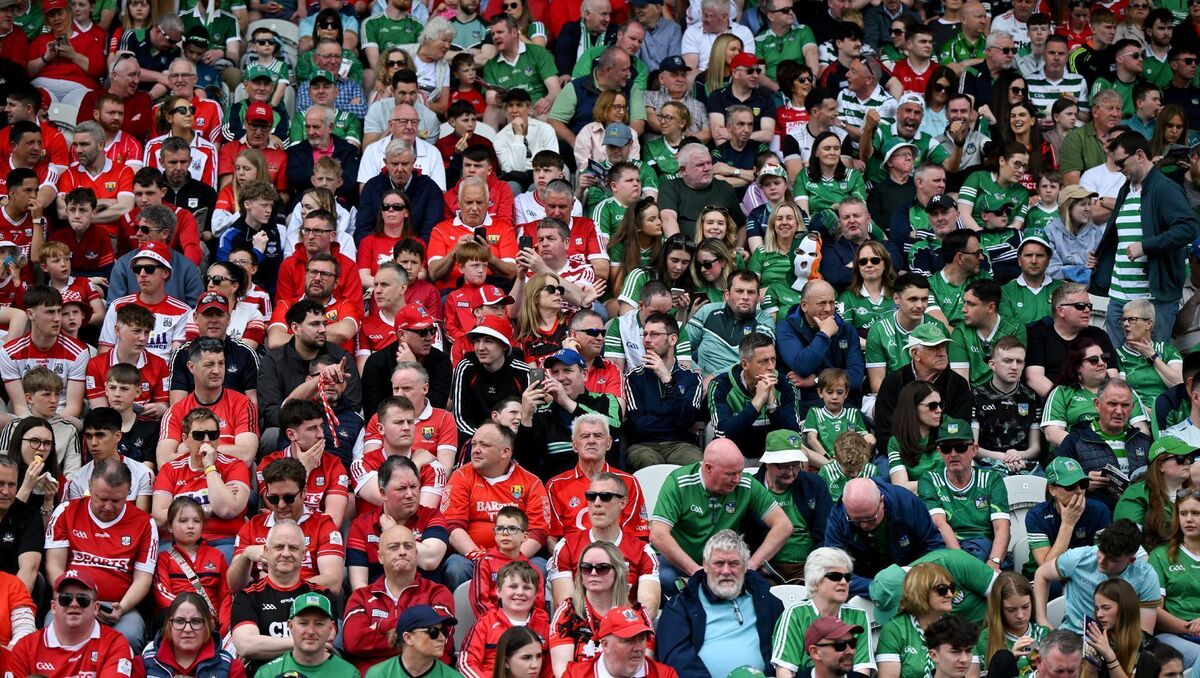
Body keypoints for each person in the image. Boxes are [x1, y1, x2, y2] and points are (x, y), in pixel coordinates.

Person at [1090, 131, 1200, 346]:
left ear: (1140, 155)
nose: (1120, 170)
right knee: (1117, 367)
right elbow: (1121, 236)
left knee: (1152, 365)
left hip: (1152, 300)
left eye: (1122, 163)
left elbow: (1189, 228)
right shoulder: (1127, 189)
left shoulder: (1165, 188)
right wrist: (1099, 256)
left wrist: (1146, 246)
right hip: (1119, 296)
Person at [649, 438, 794, 589]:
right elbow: (658, 534)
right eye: (731, 474)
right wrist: (695, 570)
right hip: (677, 563)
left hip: (723, 564)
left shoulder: (746, 484)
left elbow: (783, 525)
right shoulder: (679, 483)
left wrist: (752, 564)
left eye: (740, 472)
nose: (737, 479)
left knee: (759, 586)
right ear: (708, 468)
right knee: (666, 579)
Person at [45, 459, 157, 652]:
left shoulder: (145, 523)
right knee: (52, 629)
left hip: (116, 607)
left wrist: (122, 607)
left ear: (129, 492)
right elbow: (54, 566)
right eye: (101, 499)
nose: (107, 507)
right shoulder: (66, 511)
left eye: (116, 501)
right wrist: (72, 600)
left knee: (129, 636)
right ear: (89, 487)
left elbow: (143, 580)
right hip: (71, 599)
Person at [658, 529, 784, 677]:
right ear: (705, 565)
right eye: (718, 563)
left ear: (744, 566)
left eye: (734, 563)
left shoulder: (765, 596)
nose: (726, 571)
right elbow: (676, 659)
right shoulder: (682, 605)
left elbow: (786, 643)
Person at [440, 422, 549, 588]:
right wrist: (480, 557)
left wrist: (511, 559)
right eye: (474, 443)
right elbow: (453, 527)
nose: (475, 450)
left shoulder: (531, 482)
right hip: (471, 559)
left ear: (505, 452)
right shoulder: (461, 476)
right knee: (455, 566)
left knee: (540, 567)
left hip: (518, 558)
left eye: (484, 445)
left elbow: (538, 533)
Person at [548, 474, 660, 621]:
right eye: (591, 496)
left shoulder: (644, 551)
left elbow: (649, 608)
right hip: (582, 632)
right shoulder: (566, 546)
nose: (597, 503)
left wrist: (617, 631)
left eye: (605, 496)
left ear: (623, 502)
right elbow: (565, 605)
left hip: (627, 632)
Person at [229, 520, 334, 676]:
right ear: (266, 551)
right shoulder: (248, 595)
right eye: (279, 547)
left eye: (293, 548)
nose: (286, 553)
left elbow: (328, 637)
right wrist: (304, 642)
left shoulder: (321, 595)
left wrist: (265, 645)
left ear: (304, 554)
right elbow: (246, 645)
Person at [228, 458, 345, 592]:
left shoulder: (323, 526)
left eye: (289, 498)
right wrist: (246, 555)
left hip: (306, 603)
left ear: (304, 491)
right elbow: (233, 586)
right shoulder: (252, 527)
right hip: (261, 605)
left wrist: (279, 585)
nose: (281, 505)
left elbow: (333, 582)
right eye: (274, 499)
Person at [1034, 518, 1160, 635]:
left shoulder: (1146, 576)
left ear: (1130, 560)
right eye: (1101, 550)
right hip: (1074, 635)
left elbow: (1144, 632)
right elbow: (1041, 574)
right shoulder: (1079, 557)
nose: (1101, 560)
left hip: (1119, 641)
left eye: (1112, 559)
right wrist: (1042, 620)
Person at [825, 477, 946, 597]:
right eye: (855, 521)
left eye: (871, 519)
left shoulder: (907, 503)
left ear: (881, 501)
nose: (864, 525)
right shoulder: (838, 518)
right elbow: (834, 572)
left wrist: (912, 580)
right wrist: (879, 588)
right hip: (867, 585)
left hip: (911, 579)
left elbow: (934, 548)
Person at [6, 569, 137, 677]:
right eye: (65, 599)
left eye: (82, 599)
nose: (74, 604)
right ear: (53, 607)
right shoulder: (25, 647)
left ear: (96, 608)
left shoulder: (115, 644)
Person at [919, 418, 1011, 569]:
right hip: (949, 550)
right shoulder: (930, 480)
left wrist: (994, 562)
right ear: (939, 451)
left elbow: (1002, 527)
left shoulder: (991, 479)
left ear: (973, 450)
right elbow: (940, 524)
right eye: (946, 448)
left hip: (984, 547)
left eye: (960, 447)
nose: (953, 454)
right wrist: (963, 564)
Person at [770, 548, 877, 677]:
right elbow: (785, 670)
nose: (843, 582)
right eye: (835, 576)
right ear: (815, 581)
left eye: (847, 577)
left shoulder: (858, 615)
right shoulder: (796, 614)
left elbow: (862, 670)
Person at [623, 311, 704, 468]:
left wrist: (667, 380)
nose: (646, 340)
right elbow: (639, 424)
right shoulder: (633, 377)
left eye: (654, 334)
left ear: (672, 339)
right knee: (646, 460)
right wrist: (673, 421)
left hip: (681, 445)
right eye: (644, 334)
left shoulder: (691, 378)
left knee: (696, 463)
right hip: (644, 445)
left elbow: (686, 418)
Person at [708, 331, 803, 458]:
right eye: (763, 361)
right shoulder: (720, 386)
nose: (771, 367)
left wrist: (772, 406)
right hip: (736, 456)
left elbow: (795, 435)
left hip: (774, 456)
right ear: (745, 364)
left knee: (801, 452)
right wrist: (757, 402)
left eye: (773, 359)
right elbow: (723, 435)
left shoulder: (785, 385)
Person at [777, 279, 866, 408]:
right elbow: (802, 366)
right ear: (804, 306)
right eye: (822, 303)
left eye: (832, 303)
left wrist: (817, 380)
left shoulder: (846, 330)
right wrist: (824, 334)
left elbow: (856, 376)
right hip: (804, 402)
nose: (829, 309)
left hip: (843, 403)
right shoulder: (787, 328)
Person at [459, 561, 551, 678]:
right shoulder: (485, 624)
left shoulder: (545, 628)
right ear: (498, 591)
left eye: (527, 588)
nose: (519, 593)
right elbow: (466, 663)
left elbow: (549, 670)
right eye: (513, 587)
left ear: (536, 594)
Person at [1024, 458, 1112, 580]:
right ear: (1052, 490)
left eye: (1083, 484)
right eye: (1070, 486)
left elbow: (1102, 559)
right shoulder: (1036, 515)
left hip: (1083, 573)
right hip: (1042, 577)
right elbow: (1046, 567)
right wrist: (1068, 524)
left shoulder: (1099, 511)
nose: (1079, 491)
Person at [151, 497, 231, 631]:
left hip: (213, 626)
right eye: (183, 521)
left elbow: (226, 596)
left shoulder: (217, 556)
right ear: (170, 527)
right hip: (178, 624)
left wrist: (222, 629)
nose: (190, 526)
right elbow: (162, 595)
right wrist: (194, 618)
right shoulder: (162, 559)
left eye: (196, 521)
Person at [1113, 437, 1196, 551]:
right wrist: (1149, 564)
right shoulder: (1137, 493)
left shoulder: (1195, 493)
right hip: (1151, 561)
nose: (1187, 462)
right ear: (1160, 465)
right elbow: (1124, 537)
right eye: (1180, 458)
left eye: (1190, 458)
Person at [65, 407, 152, 510]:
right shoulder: (77, 479)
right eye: (89, 436)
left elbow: (141, 519)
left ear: (118, 436)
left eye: (100, 435)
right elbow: (77, 519)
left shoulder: (142, 473)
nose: (93, 443)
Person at [948, 279, 1028, 387]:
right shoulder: (960, 331)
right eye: (964, 302)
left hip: (1005, 393)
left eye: (971, 304)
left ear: (990, 307)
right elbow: (960, 384)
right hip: (971, 397)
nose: (963, 309)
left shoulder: (1015, 328)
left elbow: (1013, 373)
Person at [141, 592, 241, 677]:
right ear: (168, 625)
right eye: (179, 621)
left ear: (209, 625)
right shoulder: (144, 664)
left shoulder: (231, 667)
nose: (187, 629)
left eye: (196, 621)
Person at [562, 605, 678, 678]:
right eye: (628, 640)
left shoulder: (665, 675)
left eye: (642, 639)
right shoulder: (575, 674)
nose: (638, 648)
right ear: (605, 645)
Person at [979, 572, 1050, 677]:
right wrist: (1009, 659)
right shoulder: (987, 638)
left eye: (1025, 607)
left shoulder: (1044, 633)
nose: (1020, 615)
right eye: (1011, 610)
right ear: (998, 608)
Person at [364, 604, 462, 678]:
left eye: (444, 631)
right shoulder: (379, 675)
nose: (442, 638)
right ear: (408, 638)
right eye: (433, 631)